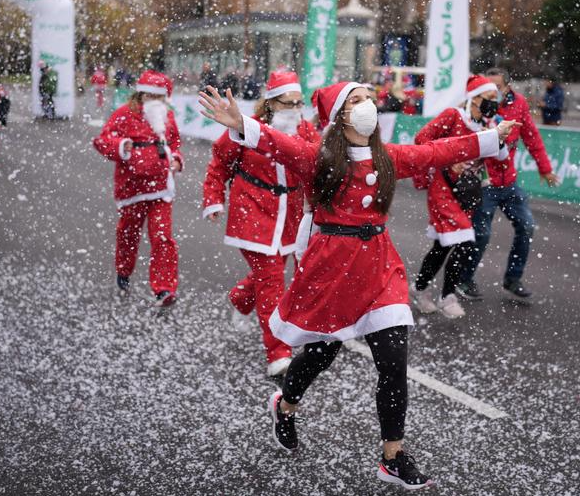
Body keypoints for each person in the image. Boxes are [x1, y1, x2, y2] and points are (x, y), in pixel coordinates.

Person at [199, 82, 518, 490]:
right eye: (355, 100)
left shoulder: (388, 158)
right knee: (319, 355)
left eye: (368, 97)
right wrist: (240, 122)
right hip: (332, 268)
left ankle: (393, 456)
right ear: (339, 117)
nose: (366, 104)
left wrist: (491, 138)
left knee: (393, 360)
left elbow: (437, 152)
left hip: (379, 267)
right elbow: (278, 143)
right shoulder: (318, 157)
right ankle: (286, 405)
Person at [202, 72, 320, 379]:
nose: (295, 109)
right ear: (271, 103)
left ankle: (241, 297)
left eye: (299, 103)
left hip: (290, 214)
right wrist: (214, 198)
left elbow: (321, 165)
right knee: (272, 281)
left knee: (275, 273)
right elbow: (219, 164)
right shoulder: (245, 126)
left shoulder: (306, 131)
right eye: (287, 103)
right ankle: (278, 354)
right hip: (252, 210)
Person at [457, 67, 560, 301]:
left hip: (509, 183)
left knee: (527, 226)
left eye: (497, 88)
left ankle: (513, 278)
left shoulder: (519, 104)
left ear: (507, 86)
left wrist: (545, 169)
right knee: (481, 234)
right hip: (484, 183)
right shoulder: (475, 107)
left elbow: (531, 137)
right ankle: (464, 279)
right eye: (487, 89)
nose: (492, 94)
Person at [410, 75, 510, 318]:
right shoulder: (453, 116)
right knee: (465, 241)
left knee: (443, 246)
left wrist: (496, 135)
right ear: (473, 98)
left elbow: (502, 156)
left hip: (467, 192)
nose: (491, 104)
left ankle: (419, 288)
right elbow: (422, 139)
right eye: (487, 99)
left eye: (494, 100)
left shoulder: (489, 123)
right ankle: (447, 296)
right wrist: (446, 162)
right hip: (443, 188)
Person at [93, 70, 184, 307]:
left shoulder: (167, 116)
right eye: (149, 97)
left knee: (163, 237)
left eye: (158, 98)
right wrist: (122, 146)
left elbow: (174, 143)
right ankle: (123, 271)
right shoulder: (124, 114)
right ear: (140, 95)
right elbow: (102, 141)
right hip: (132, 189)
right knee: (128, 235)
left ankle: (164, 289)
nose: (153, 103)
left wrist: (175, 158)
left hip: (161, 189)